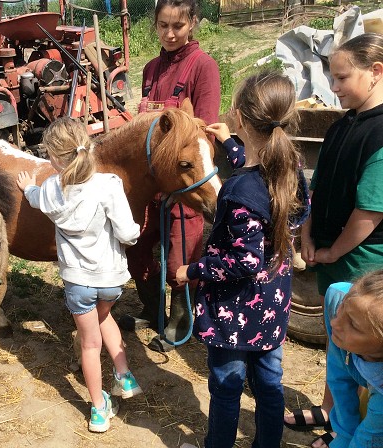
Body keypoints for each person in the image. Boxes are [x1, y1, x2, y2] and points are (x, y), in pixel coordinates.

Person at [176, 71, 310, 448]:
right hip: (274, 304)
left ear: (238, 115)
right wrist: (232, 145)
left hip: (235, 312)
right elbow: (263, 176)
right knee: (269, 386)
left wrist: (193, 269)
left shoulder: (237, 192)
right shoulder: (291, 170)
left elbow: (245, 260)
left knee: (227, 386)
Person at [283, 33, 383, 446]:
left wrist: (328, 251)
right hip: (330, 256)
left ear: (376, 72)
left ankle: (354, 432)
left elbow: (369, 214)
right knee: (338, 340)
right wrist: (307, 233)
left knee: (365, 353)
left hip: (362, 263)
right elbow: (317, 184)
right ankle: (330, 412)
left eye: (341, 77)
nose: (334, 86)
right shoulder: (343, 124)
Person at [16, 117, 142, 432]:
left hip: (78, 284)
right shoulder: (108, 185)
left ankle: (99, 410)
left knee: (89, 344)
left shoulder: (50, 191)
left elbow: (35, 197)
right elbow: (128, 234)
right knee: (105, 318)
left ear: (55, 160)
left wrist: (26, 186)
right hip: (111, 281)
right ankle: (124, 375)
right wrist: (136, 230)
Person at [118, 0, 221, 353]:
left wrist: (178, 183)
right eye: (163, 25)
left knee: (181, 261)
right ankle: (151, 309)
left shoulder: (203, 67)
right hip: (149, 186)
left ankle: (181, 323)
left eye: (177, 25)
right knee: (137, 251)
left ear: (192, 23)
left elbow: (203, 133)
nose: (170, 33)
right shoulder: (150, 69)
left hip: (182, 185)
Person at [321, 270, 383, 448]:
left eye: (354, 325)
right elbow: (338, 375)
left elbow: (368, 439)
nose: (335, 324)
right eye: (343, 308)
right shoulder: (340, 301)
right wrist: (343, 435)